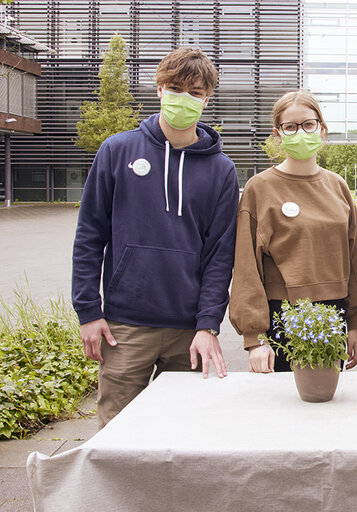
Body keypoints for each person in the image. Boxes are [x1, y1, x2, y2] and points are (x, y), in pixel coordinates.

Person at [72, 48, 239, 428]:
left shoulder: (222, 170)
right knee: (117, 432)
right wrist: (88, 311)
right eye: (176, 88)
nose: (185, 98)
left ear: (207, 98)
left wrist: (208, 324)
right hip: (124, 326)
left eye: (195, 92)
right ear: (160, 89)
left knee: (182, 432)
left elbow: (219, 256)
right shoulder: (117, 150)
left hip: (189, 330)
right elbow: (89, 236)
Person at [229, 90, 357, 373]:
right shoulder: (260, 188)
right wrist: (255, 338)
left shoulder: (338, 186)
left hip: (333, 314)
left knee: (325, 402)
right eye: (290, 127)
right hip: (283, 315)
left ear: (322, 129)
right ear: (278, 135)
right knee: (284, 410)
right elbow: (247, 267)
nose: (301, 132)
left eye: (308, 124)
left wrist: (354, 322)